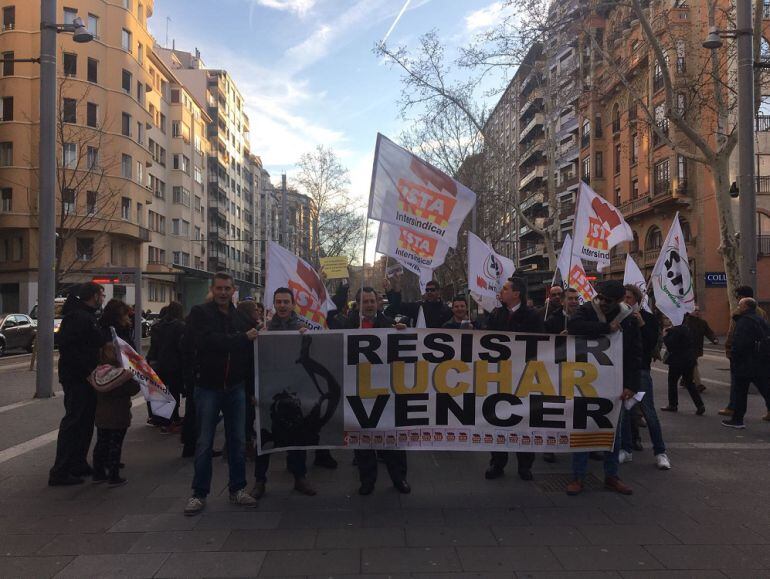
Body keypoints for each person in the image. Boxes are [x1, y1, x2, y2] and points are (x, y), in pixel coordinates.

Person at [184, 273, 258, 516]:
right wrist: (242, 338)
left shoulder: (241, 317)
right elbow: (208, 342)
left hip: (235, 387)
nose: (223, 293)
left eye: (227, 288)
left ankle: (237, 489)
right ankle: (199, 493)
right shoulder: (200, 313)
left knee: (237, 441)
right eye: (219, 288)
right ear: (213, 289)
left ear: (234, 290)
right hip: (208, 387)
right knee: (204, 442)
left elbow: (251, 351)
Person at [566, 279, 639, 496]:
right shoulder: (587, 310)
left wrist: (631, 385)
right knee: (582, 426)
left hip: (614, 383)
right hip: (586, 381)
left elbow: (635, 353)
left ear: (618, 301)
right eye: (601, 298)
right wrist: (605, 328)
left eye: (608, 301)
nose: (603, 303)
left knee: (613, 430)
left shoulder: (628, 319)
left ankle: (611, 475)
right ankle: (578, 476)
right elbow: (574, 326)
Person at [252, 288, 319, 499]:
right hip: (269, 391)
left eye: (286, 302)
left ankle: (300, 477)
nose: (282, 306)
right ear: (274, 305)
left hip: (294, 391)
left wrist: (307, 338)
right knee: (265, 436)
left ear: (293, 305)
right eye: (278, 302)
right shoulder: (263, 329)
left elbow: (313, 357)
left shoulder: (302, 328)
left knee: (297, 435)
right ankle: (260, 481)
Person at [347, 287, 411, 495]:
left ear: (378, 303)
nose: (369, 305)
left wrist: (402, 332)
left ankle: (399, 478)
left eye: (372, 301)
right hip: (359, 388)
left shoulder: (390, 325)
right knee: (363, 436)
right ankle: (367, 480)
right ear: (358, 305)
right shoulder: (348, 324)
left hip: (386, 388)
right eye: (365, 301)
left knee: (391, 435)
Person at [483, 276, 543, 482]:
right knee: (497, 419)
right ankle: (497, 463)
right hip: (499, 375)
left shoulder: (533, 316)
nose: (502, 291)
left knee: (524, 420)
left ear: (516, 294)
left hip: (524, 376)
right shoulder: (496, 314)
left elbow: (538, 345)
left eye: (506, 289)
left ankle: (525, 466)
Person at [48, 282, 106, 486]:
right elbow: (71, 349)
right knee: (75, 420)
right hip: (78, 378)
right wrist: (87, 371)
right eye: (101, 294)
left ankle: (77, 462)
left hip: (84, 376)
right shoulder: (79, 317)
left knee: (85, 420)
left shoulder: (86, 316)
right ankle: (60, 470)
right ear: (93, 296)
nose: (103, 298)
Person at [619, 285, 670, 470]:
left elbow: (651, 345)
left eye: (630, 298)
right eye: (624, 298)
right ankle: (626, 449)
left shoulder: (648, 319)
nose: (626, 301)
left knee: (649, 412)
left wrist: (641, 324)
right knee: (624, 412)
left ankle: (660, 452)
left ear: (638, 301)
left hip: (640, 371)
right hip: (621, 372)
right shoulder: (619, 319)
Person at [88, 342, 140, 486]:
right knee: (115, 445)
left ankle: (98, 473)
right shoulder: (122, 375)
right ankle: (113, 476)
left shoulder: (97, 373)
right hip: (119, 415)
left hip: (101, 416)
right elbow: (134, 389)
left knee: (101, 443)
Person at [720, 286, 770, 420]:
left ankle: (734, 412)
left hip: (745, 356)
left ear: (743, 298)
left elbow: (737, 333)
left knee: (740, 384)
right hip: (755, 356)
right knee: (761, 384)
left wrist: (731, 350)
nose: (736, 300)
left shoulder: (743, 314)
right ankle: (733, 409)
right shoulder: (759, 313)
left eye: (738, 297)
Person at [147, 301, 186, 431]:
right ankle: (173, 419)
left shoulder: (158, 326)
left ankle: (161, 419)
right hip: (174, 364)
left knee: (160, 392)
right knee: (174, 392)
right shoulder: (180, 326)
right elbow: (181, 347)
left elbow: (154, 346)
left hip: (158, 363)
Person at [660, 318, 705, 415]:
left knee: (672, 382)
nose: (666, 320)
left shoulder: (675, 330)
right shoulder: (685, 328)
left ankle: (673, 404)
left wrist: (665, 336)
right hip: (688, 360)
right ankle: (700, 405)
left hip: (677, 361)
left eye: (668, 319)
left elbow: (670, 344)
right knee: (689, 383)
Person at [385, 276, 452, 328]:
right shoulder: (418, 306)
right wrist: (391, 290)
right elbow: (397, 307)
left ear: (439, 291)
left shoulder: (446, 309)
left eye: (432, 290)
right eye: (427, 290)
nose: (429, 292)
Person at [683, 307, 718, 393]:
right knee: (693, 365)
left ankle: (684, 379)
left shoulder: (702, 323)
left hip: (697, 347)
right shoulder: (685, 321)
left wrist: (714, 339)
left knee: (689, 365)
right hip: (686, 348)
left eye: (699, 310)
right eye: (695, 310)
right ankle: (698, 385)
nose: (697, 312)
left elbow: (709, 332)